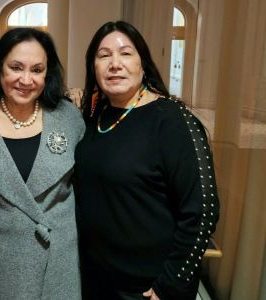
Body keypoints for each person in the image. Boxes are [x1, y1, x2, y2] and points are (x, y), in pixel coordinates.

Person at [74, 21, 220, 300]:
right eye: (104, 56)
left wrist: (169, 286)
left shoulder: (173, 121)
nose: (114, 64)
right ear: (93, 67)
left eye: (126, 53)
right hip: (96, 279)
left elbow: (203, 211)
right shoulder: (96, 117)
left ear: (143, 63)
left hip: (147, 287)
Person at [0, 28, 85, 299]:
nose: (26, 79)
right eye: (16, 67)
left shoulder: (68, 117)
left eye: (37, 70)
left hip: (56, 267)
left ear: (47, 74)